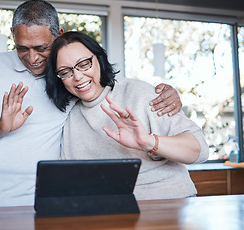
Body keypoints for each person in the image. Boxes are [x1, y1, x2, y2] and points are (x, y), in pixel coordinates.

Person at [0, 0, 183, 208]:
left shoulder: (68, 79)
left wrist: (166, 92)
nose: (32, 58)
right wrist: (0, 127)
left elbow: (106, 85)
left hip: (38, 204)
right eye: (23, 48)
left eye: (42, 48)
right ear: (13, 34)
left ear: (58, 33)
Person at [45, 31, 209, 200]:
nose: (77, 77)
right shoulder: (70, 117)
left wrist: (148, 141)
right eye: (65, 72)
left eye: (84, 64)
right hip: (109, 211)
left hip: (168, 202)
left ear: (99, 59)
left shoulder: (139, 93)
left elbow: (200, 151)